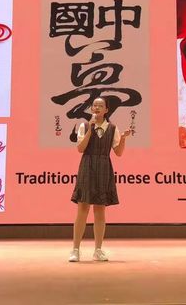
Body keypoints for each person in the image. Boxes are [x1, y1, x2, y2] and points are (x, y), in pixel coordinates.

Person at [68, 97, 131, 262]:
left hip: (104, 166)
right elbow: (80, 148)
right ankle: (75, 250)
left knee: (100, 210)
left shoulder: (113, 128)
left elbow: (118, 153)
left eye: (100, 105)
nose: (96, 108)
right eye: (94, 105)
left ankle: (98, 250)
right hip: (87, 165)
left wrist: (123, 138)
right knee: (83, 208)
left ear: (106, 110)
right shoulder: (85, 126)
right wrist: (91, 128)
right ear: (91, 109)